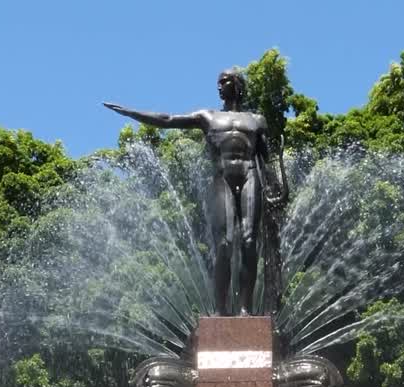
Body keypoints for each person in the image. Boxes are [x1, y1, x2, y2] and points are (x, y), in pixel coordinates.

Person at [105, 69, 284, 315]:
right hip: (222, 178)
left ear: (237, 84)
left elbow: (266, 159)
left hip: (251, 174)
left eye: (223, 82)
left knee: (250, 241)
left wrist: (277, 186)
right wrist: (131, 112)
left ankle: (246, 309)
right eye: (218, 83)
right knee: (224, 243)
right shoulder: (207, 116)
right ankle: (221, 311)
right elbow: (167, 120)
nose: (219, 87)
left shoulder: (256, 120)